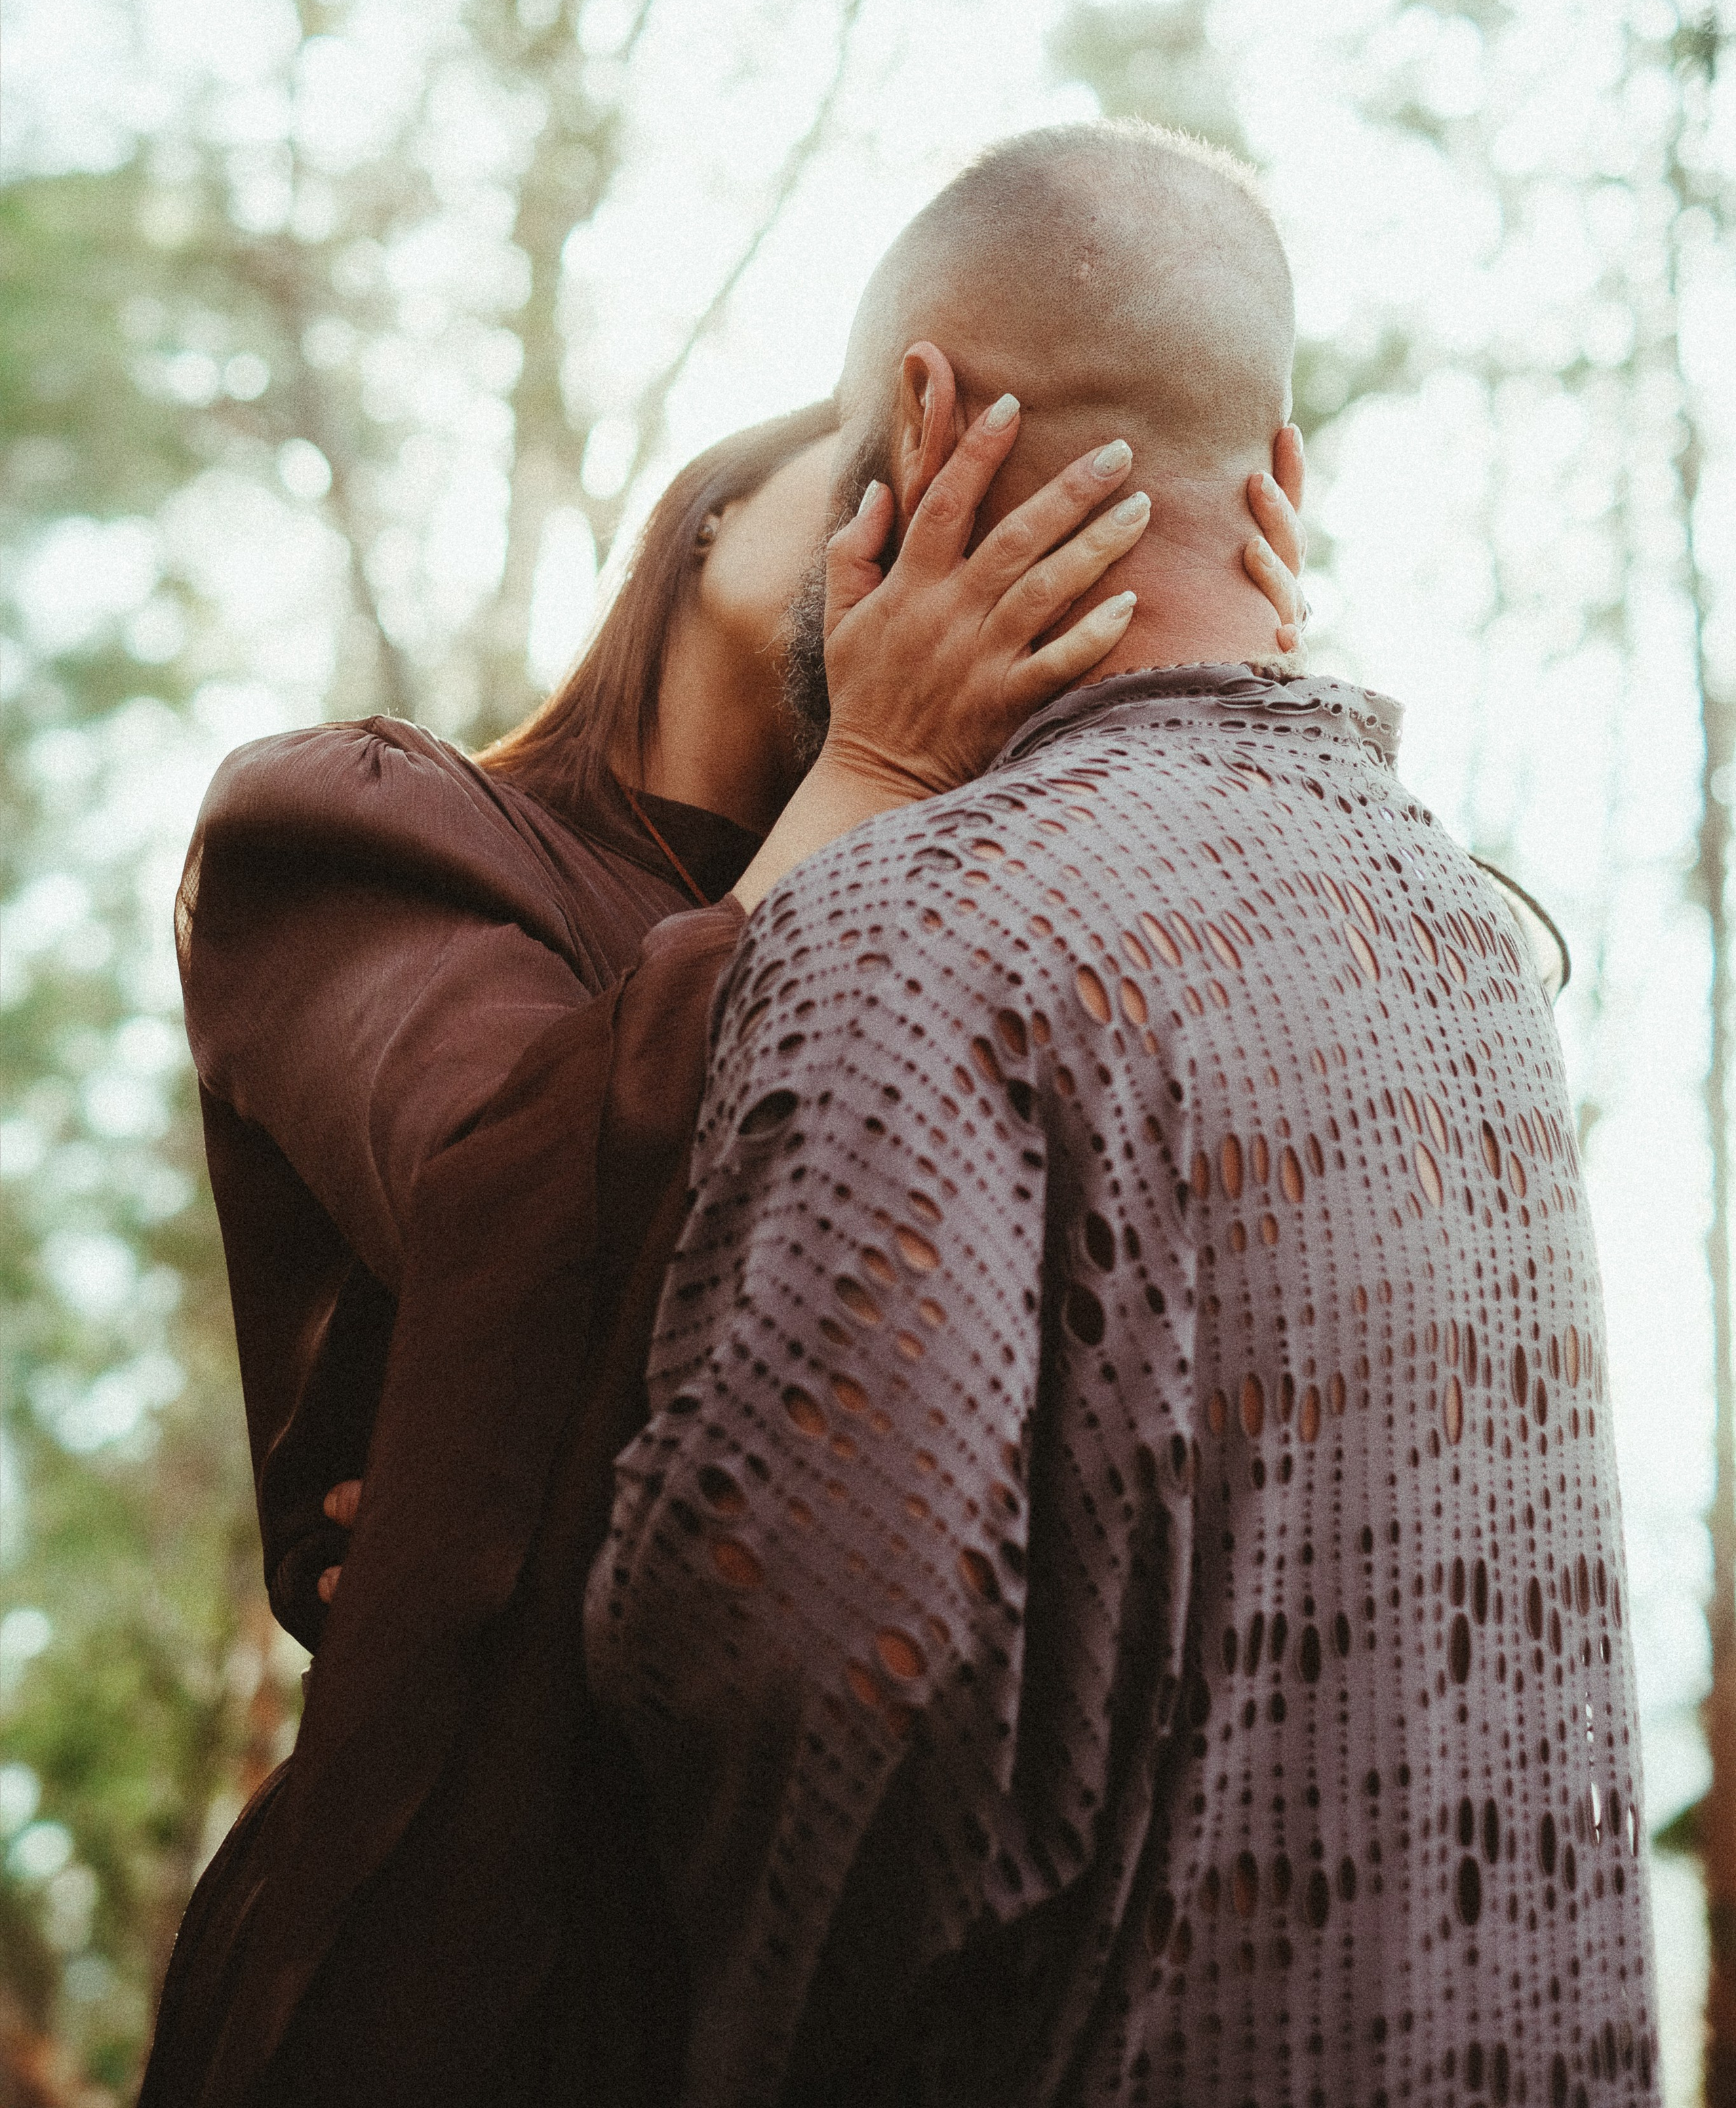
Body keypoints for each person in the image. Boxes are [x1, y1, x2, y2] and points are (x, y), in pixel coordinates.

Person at [585, 119, 1659, 2107]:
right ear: (1281, 487)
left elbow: (797, 1647)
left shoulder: (909, 926)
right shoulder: (1471, 947)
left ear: (915, 447)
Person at [144, 365, 1307, 2106]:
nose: (936, 529)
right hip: (465, 1944)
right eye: (883, 465)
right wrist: (878, 768)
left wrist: (1213, 723)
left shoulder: (980, 961)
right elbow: (498, 1186)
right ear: (699, 523)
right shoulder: (357, 823)